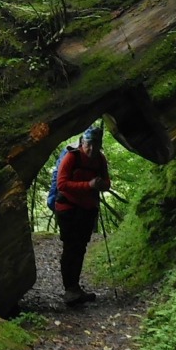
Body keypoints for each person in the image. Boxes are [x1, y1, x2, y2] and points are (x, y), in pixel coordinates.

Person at [54, 125, 111, 305]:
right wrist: (89, 185)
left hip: (87, 210)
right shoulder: (72, 157)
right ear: (82, 142)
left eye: (96, 144)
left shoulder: (100, 159)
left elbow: (107, 182)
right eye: (89, 144)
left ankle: (74, 288)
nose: (92, 149)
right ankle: (69, 289)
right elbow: (61, 184)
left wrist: (101, 185)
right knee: (71, 247)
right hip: (68, 209)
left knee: (80, 248)